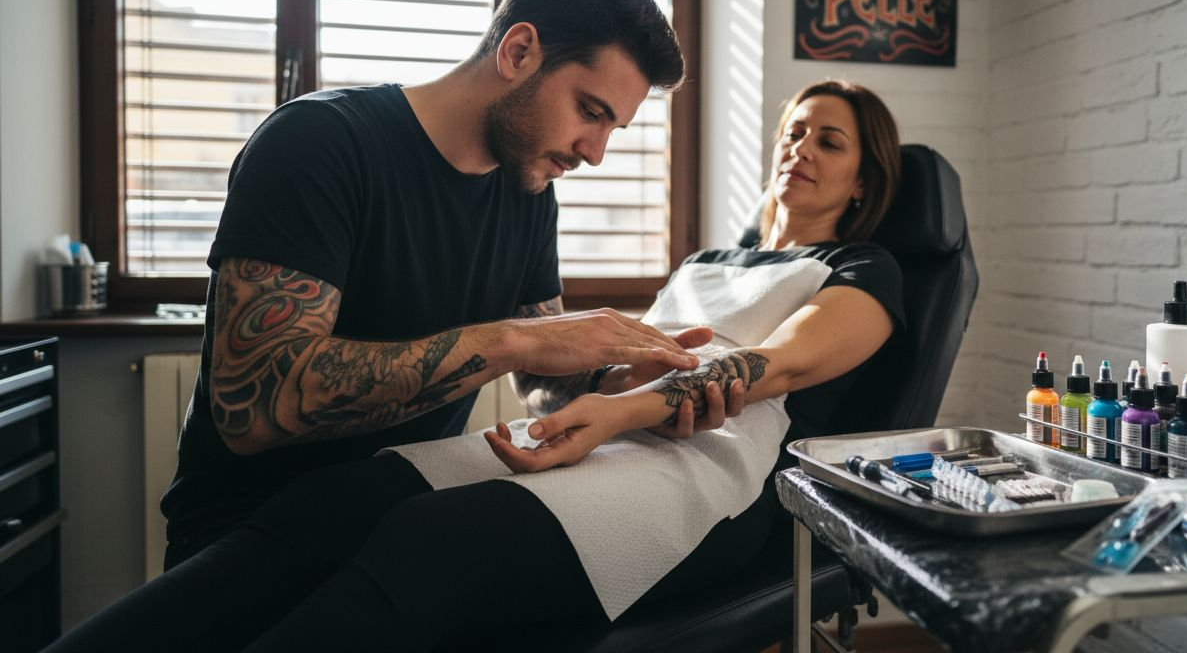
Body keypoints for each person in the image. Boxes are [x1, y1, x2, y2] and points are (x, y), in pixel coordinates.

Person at [44, 80, 905, 653]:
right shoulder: (709, 260)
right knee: (350, 494)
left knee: (431, 543)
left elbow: (774, 368)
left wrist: (612, 414)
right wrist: (594, 388)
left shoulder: (866, 270)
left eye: (830, 141)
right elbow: (610, 370)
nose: (802, 148)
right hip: (596, 440)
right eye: (794, 131)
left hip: (708, 473)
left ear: (863, 181)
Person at [156, 0, 748, 572]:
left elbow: (542, 384)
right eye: (590, 112)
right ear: (519, 52)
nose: (594, 154)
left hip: (398, 520)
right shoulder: (316, 143)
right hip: (245, 536)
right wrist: (512, 341)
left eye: (613, 130)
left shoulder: (528, 193)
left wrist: (622, 390)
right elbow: (253, 406)